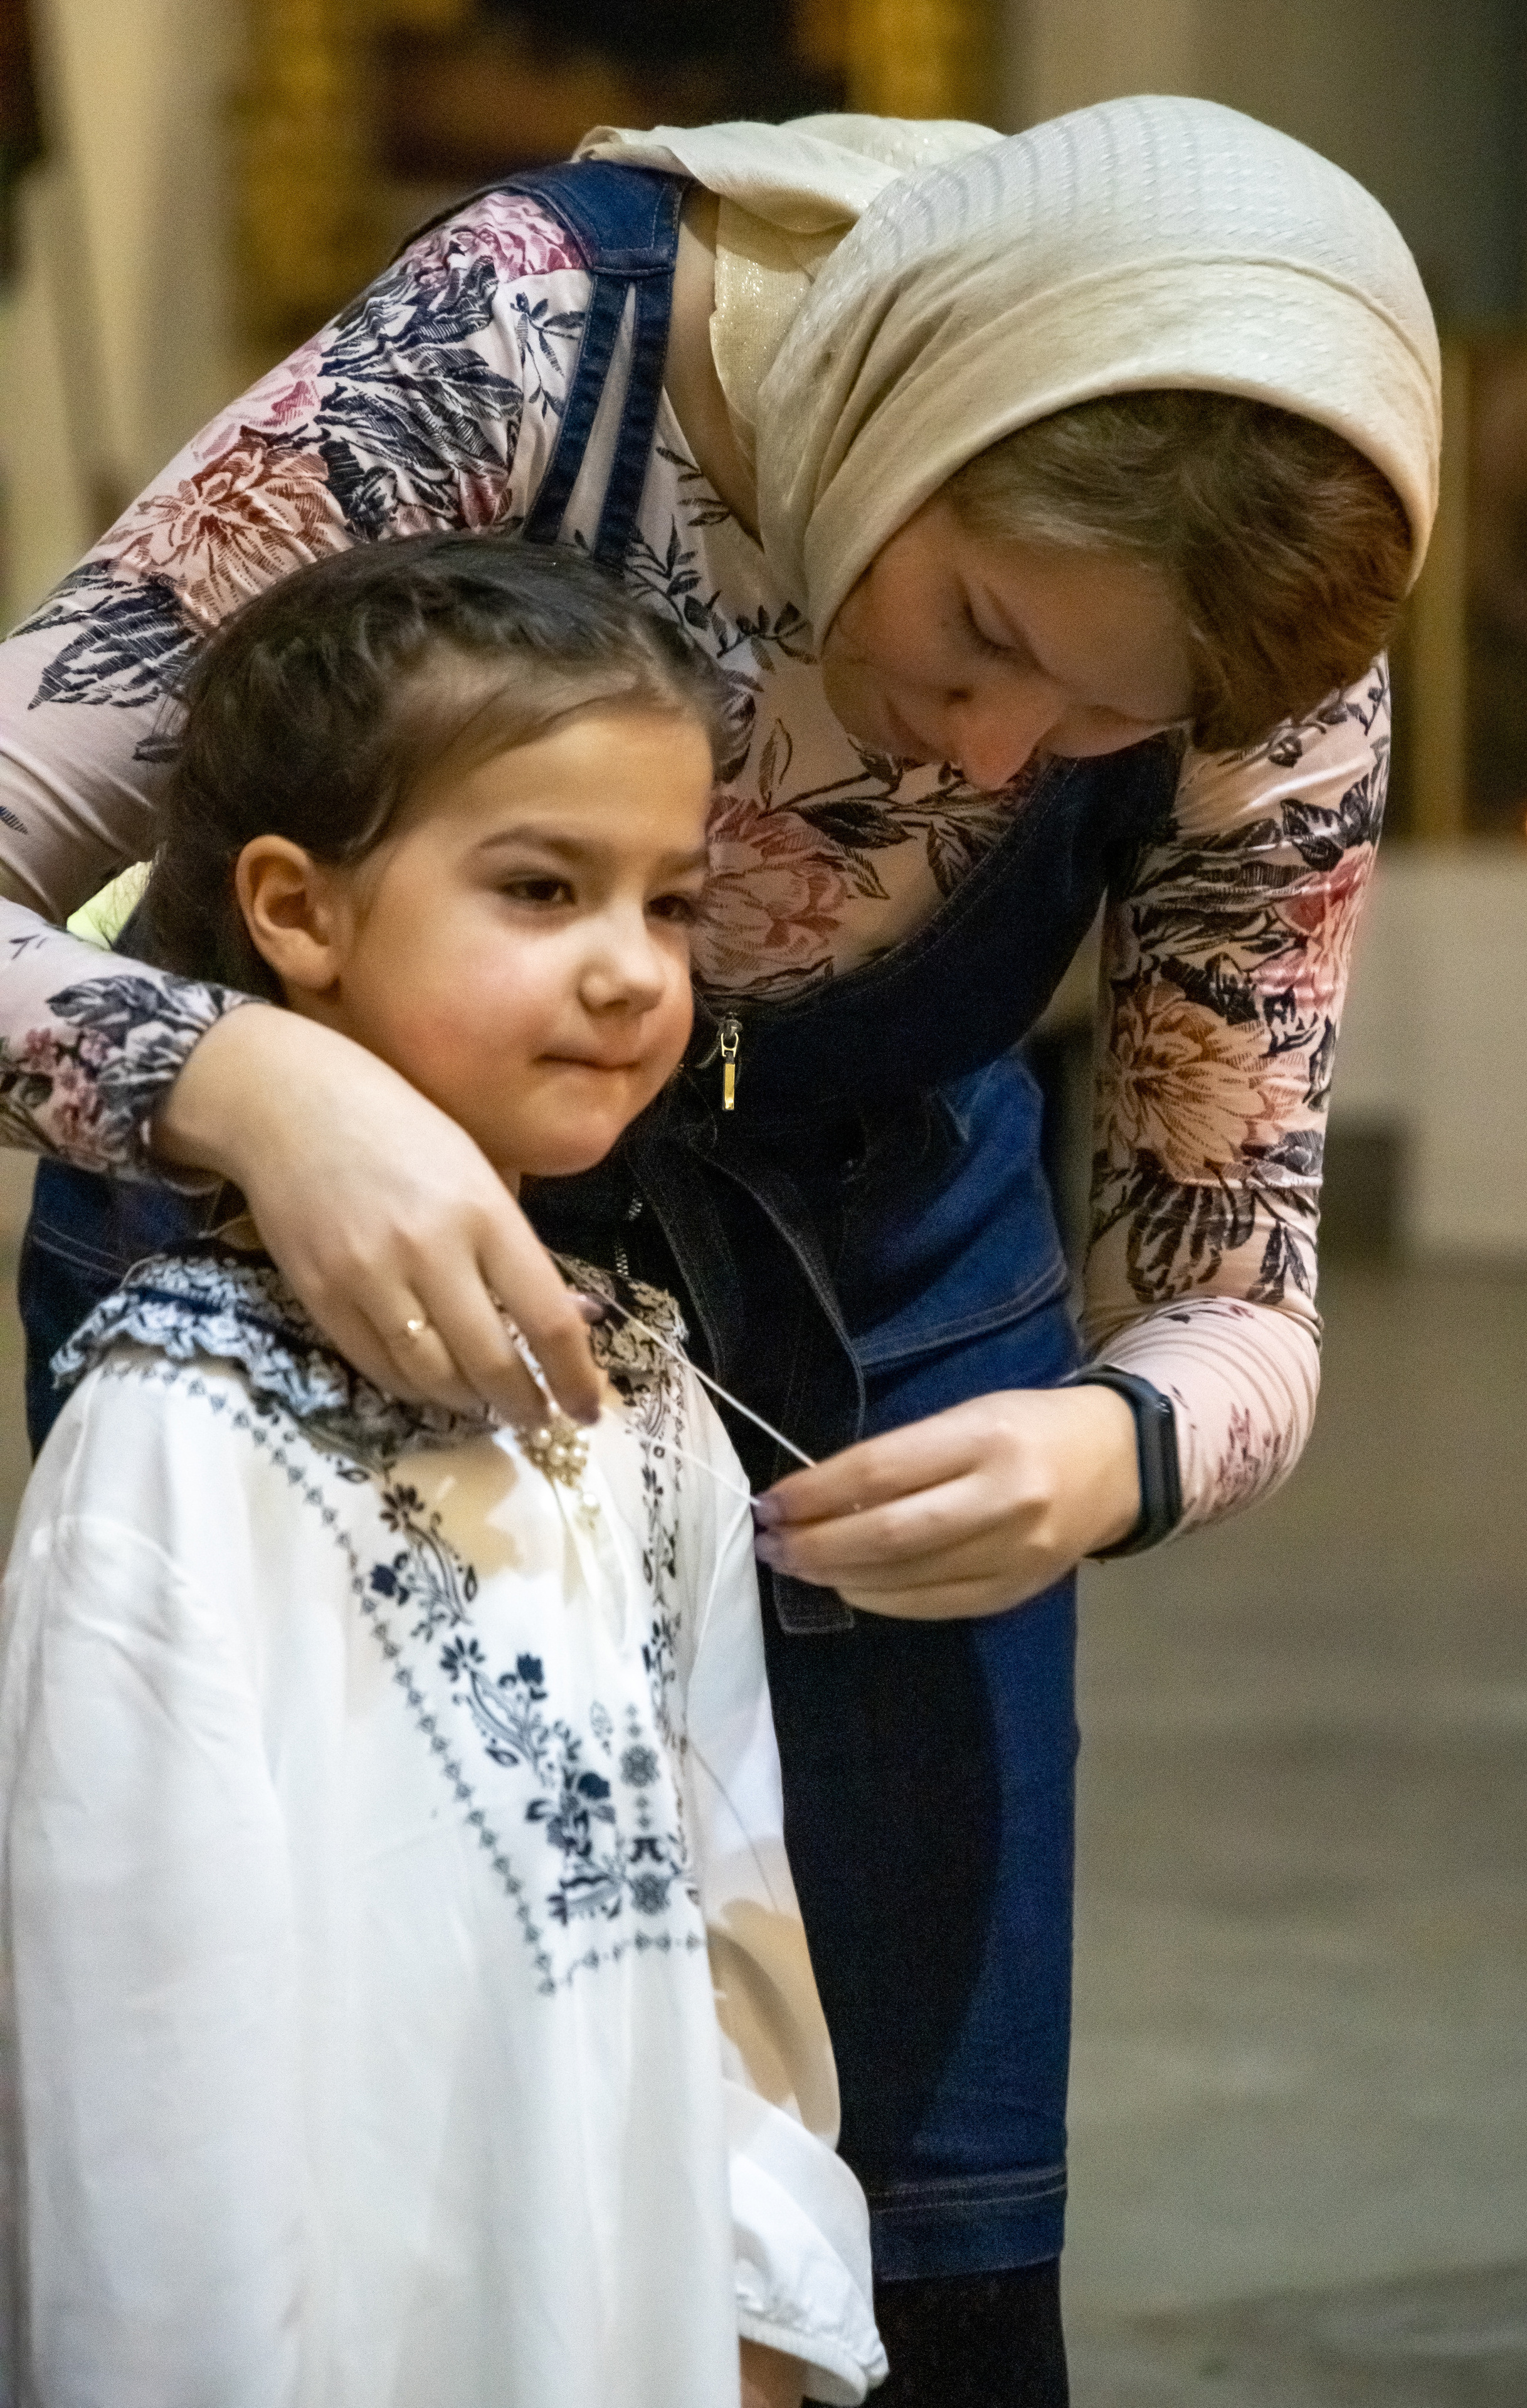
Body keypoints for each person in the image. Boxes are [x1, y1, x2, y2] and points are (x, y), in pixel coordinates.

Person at [0, 95, 1440, 2404]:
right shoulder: (530, 344)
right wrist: (253, 1088)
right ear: (910, 408)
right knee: (354, 2118)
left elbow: (1231, 1273)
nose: (1004, 749)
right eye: (979, 632)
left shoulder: (1273, 659)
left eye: (1108, 721)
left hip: (864, 1304)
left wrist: (1113, 1448)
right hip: (300, 1262)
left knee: (899, 2197)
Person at [0, 536, 885, 2408]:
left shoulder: (643, 1396)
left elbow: (736, 1924)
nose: (632, 973)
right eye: (543, 888)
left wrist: (753, 2307)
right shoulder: (177, 1437)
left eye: (668, 903)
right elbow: (135, 2088)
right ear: (297, 913)